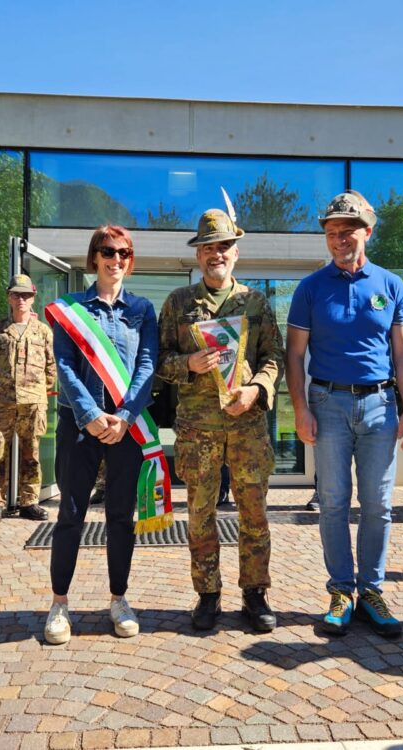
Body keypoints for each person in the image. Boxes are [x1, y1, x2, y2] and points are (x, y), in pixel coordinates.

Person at [286, 190, 403, 638]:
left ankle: (373, 592)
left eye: (347, 231)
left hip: (381, 406)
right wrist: (300, 409)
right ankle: (341, 591)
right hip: (328, 404)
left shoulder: (391, 285)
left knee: (378, 504)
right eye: (331, 232)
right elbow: (294, 354)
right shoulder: (310, 288)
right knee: (333, 502)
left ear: (368, 231)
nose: (339, 239)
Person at [157, 207, 284, 632]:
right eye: (209, 247)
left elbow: (273, 357)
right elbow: (159, 360)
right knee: (200, 514)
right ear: (198, 255)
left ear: (236, 252)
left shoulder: (255, 302)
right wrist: (187, 364)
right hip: (199, 428)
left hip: (247, 425)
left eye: (225, 246)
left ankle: (255, 593)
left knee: (254, 514)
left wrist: (256, 390)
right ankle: (207, 594)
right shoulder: (178, 303)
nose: (217, 254)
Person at [44, 225, 157, 644]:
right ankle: (59, 604)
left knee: (121, 517)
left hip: (126, 428)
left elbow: (147, 365)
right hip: (80, 425)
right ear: (94, 257)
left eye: (124, 253)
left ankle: (118, 599)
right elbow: (64, 364)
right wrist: (90, 414)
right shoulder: (71, 309)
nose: (116, 260)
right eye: (108, 251)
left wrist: (125, 416)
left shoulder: (143, 309)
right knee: (70, 515)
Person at [0, 274, 55, 524]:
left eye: (25, 295)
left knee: (31, 452)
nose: (21, 299)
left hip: (32, 402)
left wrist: (37, 390)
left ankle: (29, 502)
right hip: (1, 402)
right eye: (16, 295)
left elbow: (51, 367)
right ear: (9, 298)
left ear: (33, 298)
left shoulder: (43, 331)